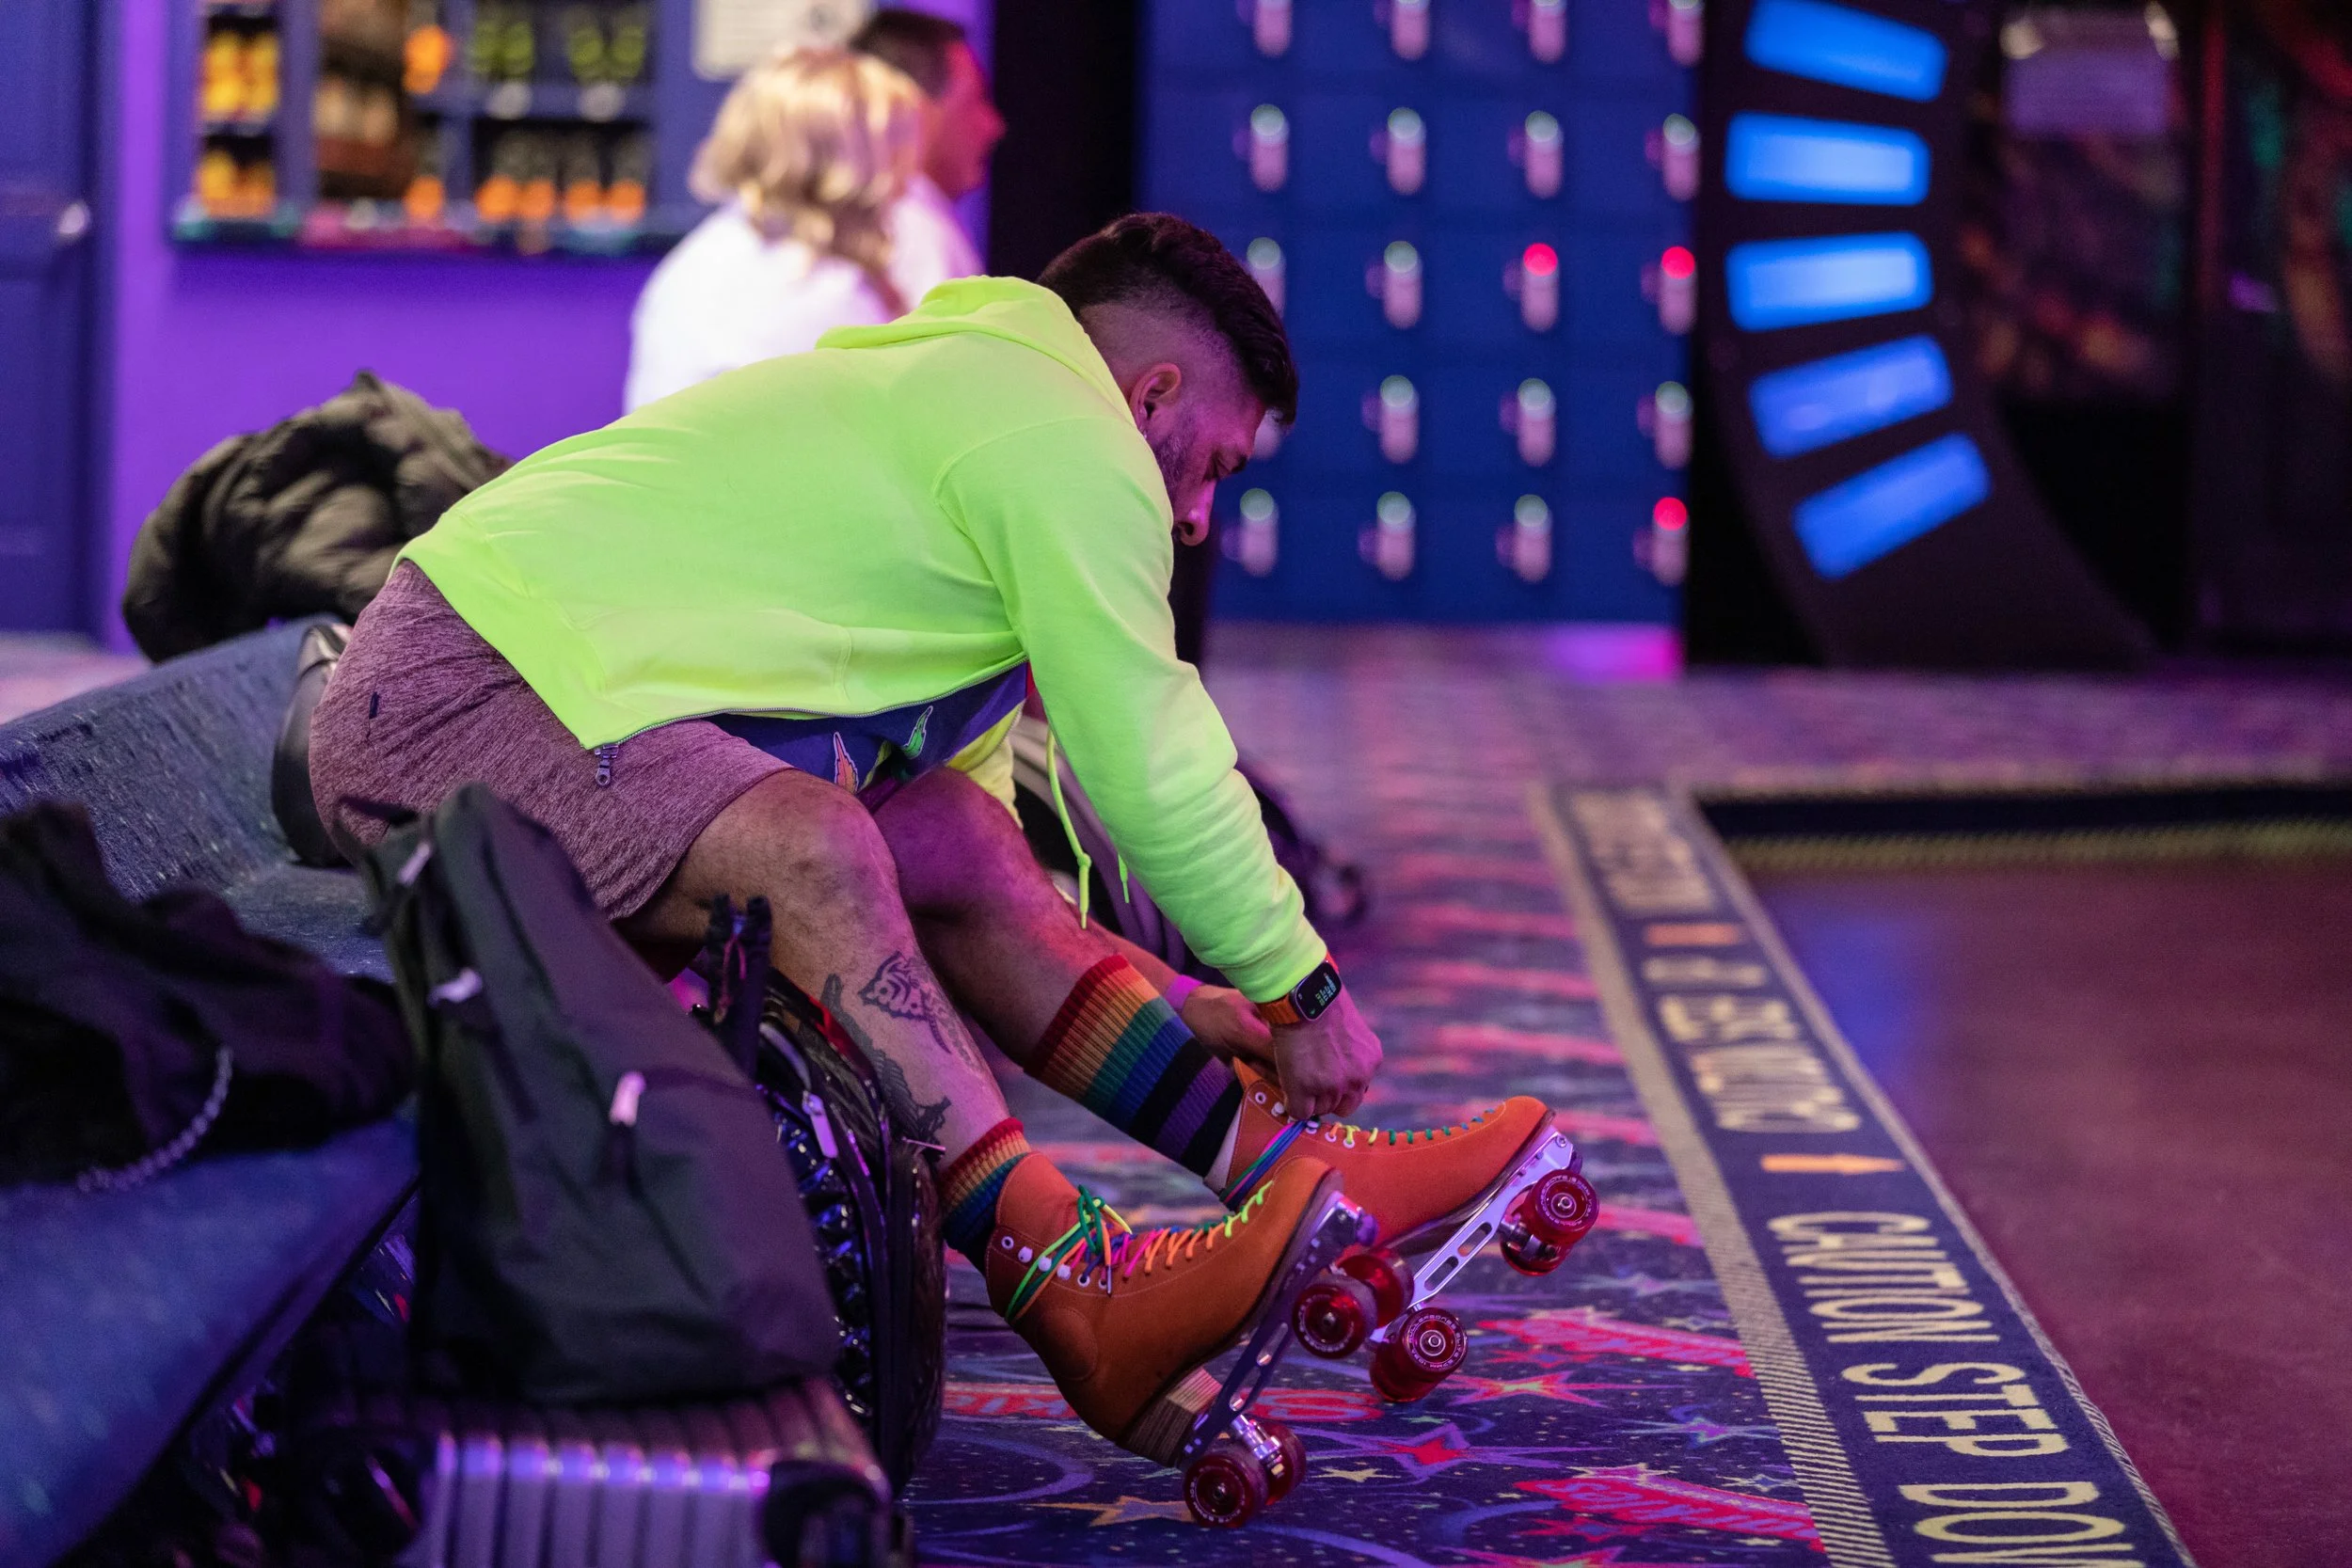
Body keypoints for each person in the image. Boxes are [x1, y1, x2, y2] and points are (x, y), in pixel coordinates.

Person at [310, 214, 1550, 1466]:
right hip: (456, 694)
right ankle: (1076, 1282)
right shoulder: (1065, 439)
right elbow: (1152, 752)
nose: (1197, 517)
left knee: (949, 833)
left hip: (564, 695)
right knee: (813, 844)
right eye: (1209, 464)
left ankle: (1285, 1163)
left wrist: (1186, 999)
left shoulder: (979, 411)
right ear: (1152, 392)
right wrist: (1301, 986)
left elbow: (975, 858)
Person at [624, 47, 922, 410]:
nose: (908, 180)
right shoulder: (811, 285)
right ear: (853, 164)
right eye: (898, 150)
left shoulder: (710, 253)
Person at [848, 8, 1004, 304]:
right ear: (915, 107)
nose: (992, 126)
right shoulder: (911, 231)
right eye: (975, 100)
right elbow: (947, 351)